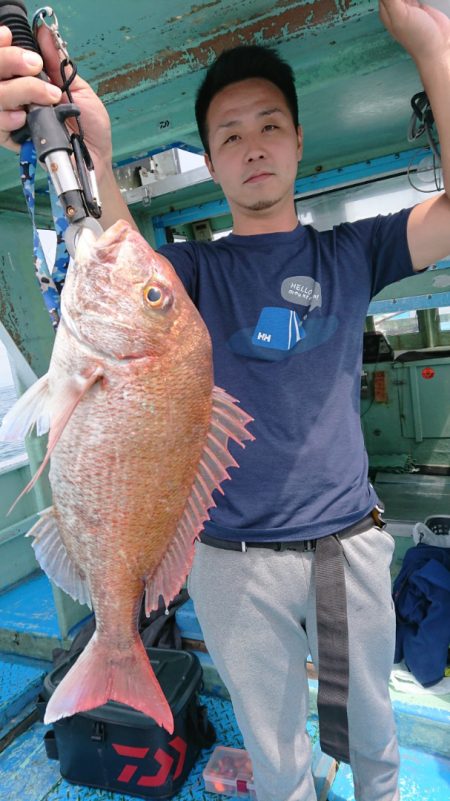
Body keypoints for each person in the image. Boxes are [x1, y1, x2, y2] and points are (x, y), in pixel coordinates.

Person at [1, 3, 450, 800]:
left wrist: (432, 47)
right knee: (279, 757)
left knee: (376, 741)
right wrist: (93, 151)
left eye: (270, 125)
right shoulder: (189, 278)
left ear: (300, 140)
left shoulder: (353, 252)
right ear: (209, 158)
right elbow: (118, 248)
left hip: (349, 543)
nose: (252, 146)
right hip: (226, 561)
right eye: (230, 134)